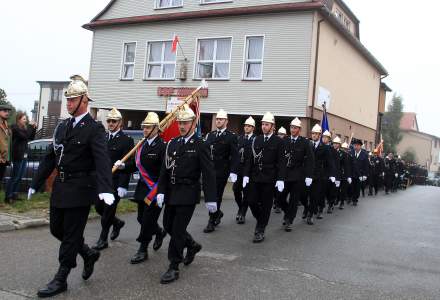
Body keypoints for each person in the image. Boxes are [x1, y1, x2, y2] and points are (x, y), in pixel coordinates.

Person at [28, 75, 115, 298]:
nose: (68, 104)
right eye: (67, 100)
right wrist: (36, 183)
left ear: (84, 101)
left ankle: (61, 278)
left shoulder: (94, 128)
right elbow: (50, 157)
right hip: (61, 187)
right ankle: (87, 253)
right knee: (56, 229)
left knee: (70, 235)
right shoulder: (62, 126)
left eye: (72, 100)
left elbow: (102, 159)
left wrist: (105, 188)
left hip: (80, 189)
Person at [156, 105, 216, 284]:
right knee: (168, 224)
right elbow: (164, 170)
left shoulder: (200, 144)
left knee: (178, 230)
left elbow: (209, 172)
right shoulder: (173, 143)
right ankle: (191, 245)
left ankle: (173, 266)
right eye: (180, 122)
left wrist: (211, 198)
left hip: (189, 192)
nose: (182, 126)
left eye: (185, 123)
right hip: (173, 192)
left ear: (193, 123)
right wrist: (160, 191)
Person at [115, 112, 166, 264]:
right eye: (144, 127)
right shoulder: (141, 146)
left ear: (156, 129)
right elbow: (135, 165)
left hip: (155, 190)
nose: (144, 130)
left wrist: (162, 190)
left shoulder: (162, 146)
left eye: (148, 127)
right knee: (141, 218)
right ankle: (159, 232)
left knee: (148, 219)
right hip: (143, 187)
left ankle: (142, 249)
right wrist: (123, 166)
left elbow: (164, 171)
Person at [92, 108, 133, 251]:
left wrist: (123, 185)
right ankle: (116, 223)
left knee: (108, 212)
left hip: (116, 182)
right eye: (108, 121)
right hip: (103, 181)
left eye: (113, 121)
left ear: (120, 122)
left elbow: (128, 163)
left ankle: (103, 239)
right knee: (98, 207)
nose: (110, 123)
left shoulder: (126, 140)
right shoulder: (103, 137)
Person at [243, 112, 286, 242]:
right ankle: (261, 219)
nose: (264, 127)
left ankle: (260, 229)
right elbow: (250, 159)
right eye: (262, 124)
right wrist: (245, 174)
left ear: (273, 126)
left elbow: (281, 162)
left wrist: (280, 178)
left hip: (270, 178)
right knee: (251, 200)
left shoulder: (278, 141)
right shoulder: (257, 139)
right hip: (256, 177)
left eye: (266, 124)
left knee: (267, 205)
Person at [203, 109, 238, 233]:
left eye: (221, 119)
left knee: (216, 196)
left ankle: (211, 221)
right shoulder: (210, 135)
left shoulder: (231, 137)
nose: (218, 121)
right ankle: (217, 213)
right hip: (209, 170)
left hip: (221, 171)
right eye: (217, 119)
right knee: (209, 195)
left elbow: (234, 156)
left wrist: (233, 171)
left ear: (226, 121)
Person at [278, 117, 314, 231]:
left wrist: (309, 175)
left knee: (294, 200)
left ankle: (289, 220)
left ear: (299, 129)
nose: (293, 130)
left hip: (298, 175)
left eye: (295, 128)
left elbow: (310, 160)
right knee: (280, 198)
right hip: (285, 174)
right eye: (291, 127)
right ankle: (288, 212)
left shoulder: (305, 142)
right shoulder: (284, 141)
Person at [5, 112, 36, 202]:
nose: (26, 121)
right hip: (18, 155)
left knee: (20, 177)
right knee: (15, 176)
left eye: (26, 119)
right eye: (24, 119)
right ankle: (8, 196)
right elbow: (25, 136)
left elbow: (30, 137)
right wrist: (30, 127)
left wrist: (34, 128)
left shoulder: (24, 128)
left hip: (24, 155)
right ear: (19, 119)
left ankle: (15, 194)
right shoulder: (15, 128)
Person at [308, 125, 335, 223]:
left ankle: (310, 214)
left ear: (319, 135)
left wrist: (332, 174)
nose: (314, 135)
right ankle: (309, 209)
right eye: (313, 133)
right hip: (307, 175)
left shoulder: (325, 148)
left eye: (316, 134)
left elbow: (330, 162)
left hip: (319, 175)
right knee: (304, 195)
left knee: (315, 196)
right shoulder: (308, 144)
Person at [233, 116, 256, 224]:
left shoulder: (255, 139)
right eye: (246, 126)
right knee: (236, 190)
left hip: (250, 171)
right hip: (239, 170)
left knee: (246, 192)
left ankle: (242, 213)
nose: (246, 128)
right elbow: (234, 155)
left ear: (253, 128)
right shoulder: (239, 138)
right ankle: (241, 207)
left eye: (249, 126)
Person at [321, 130, 337, 214]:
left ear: (329, 139)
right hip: (321, 172)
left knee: (330, 191)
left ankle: (331, 204)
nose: (324, 138)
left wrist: (333, 175)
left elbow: (335, 163)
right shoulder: (319, 147)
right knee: (321, 191)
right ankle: (321, 206)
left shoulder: (333, 150)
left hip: (329, 173)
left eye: (326, 137)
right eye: (323, 137)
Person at [273, 126, 288, 213]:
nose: (280, 136)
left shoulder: (287, 143)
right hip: (275, 168)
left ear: (285, 135)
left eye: (282, 134)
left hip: (283, 168)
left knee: (281, 187)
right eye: (279, 134)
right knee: (274, 188)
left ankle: (278, 204)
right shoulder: (274, 141)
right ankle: (275, 201)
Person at [350, 139, 369, 206]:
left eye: (357, 145)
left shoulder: (364, 154)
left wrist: (365, 175)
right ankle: (351, 197)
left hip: (359, 175)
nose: (356, 147)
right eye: (355, 145)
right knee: (351, 187)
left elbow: (366, 165)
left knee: (357, 188)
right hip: (352, 173)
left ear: (360, 146)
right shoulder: (351, 152)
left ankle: (355, 199)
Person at [335, 141, 352, 209]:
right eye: (343, 148)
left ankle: (342, 202)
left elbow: (348, 166)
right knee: (337, 189)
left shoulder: (349, 156)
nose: (344, 149)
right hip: (338, 174)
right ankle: (337, 199)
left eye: (345, 149)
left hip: (344, 174)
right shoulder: (338, 153)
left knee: (343, 190)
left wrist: (348, 176)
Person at [0, 100, 13, 188]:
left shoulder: (6, 124)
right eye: (5, 111)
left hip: (4, 158)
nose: (7, 113)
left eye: (8, 111)